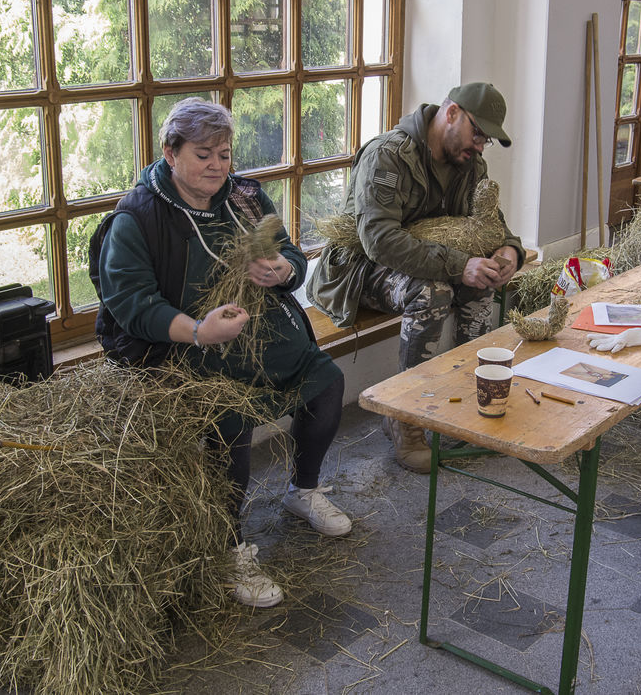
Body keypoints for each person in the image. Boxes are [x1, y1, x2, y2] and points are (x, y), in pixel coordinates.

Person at [94, 98, 351, 608]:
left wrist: (282, 270)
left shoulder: (247, 198)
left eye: (225, 154)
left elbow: (292, 254)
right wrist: (197, 331)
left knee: (327, 384)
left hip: (258, 332)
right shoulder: (139, 216)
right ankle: (228, 547)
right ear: (171, 153)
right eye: (203, 154)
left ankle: (303, 490)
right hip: (184, 349)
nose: (217, 166)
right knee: (228, 421)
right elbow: (130, 303)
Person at [306, 82, 524, 474]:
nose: (479, 146)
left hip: (427, 260)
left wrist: (509, 251)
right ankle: (404, 417)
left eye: (486, 141)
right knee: (431, 291)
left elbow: (490, 222)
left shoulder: (469, 163)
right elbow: (380, 242)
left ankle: (463, 401)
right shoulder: (388, 155)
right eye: (478, 133)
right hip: (360, 269)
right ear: (452, 112)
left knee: (481, 285)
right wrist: (460, 265)